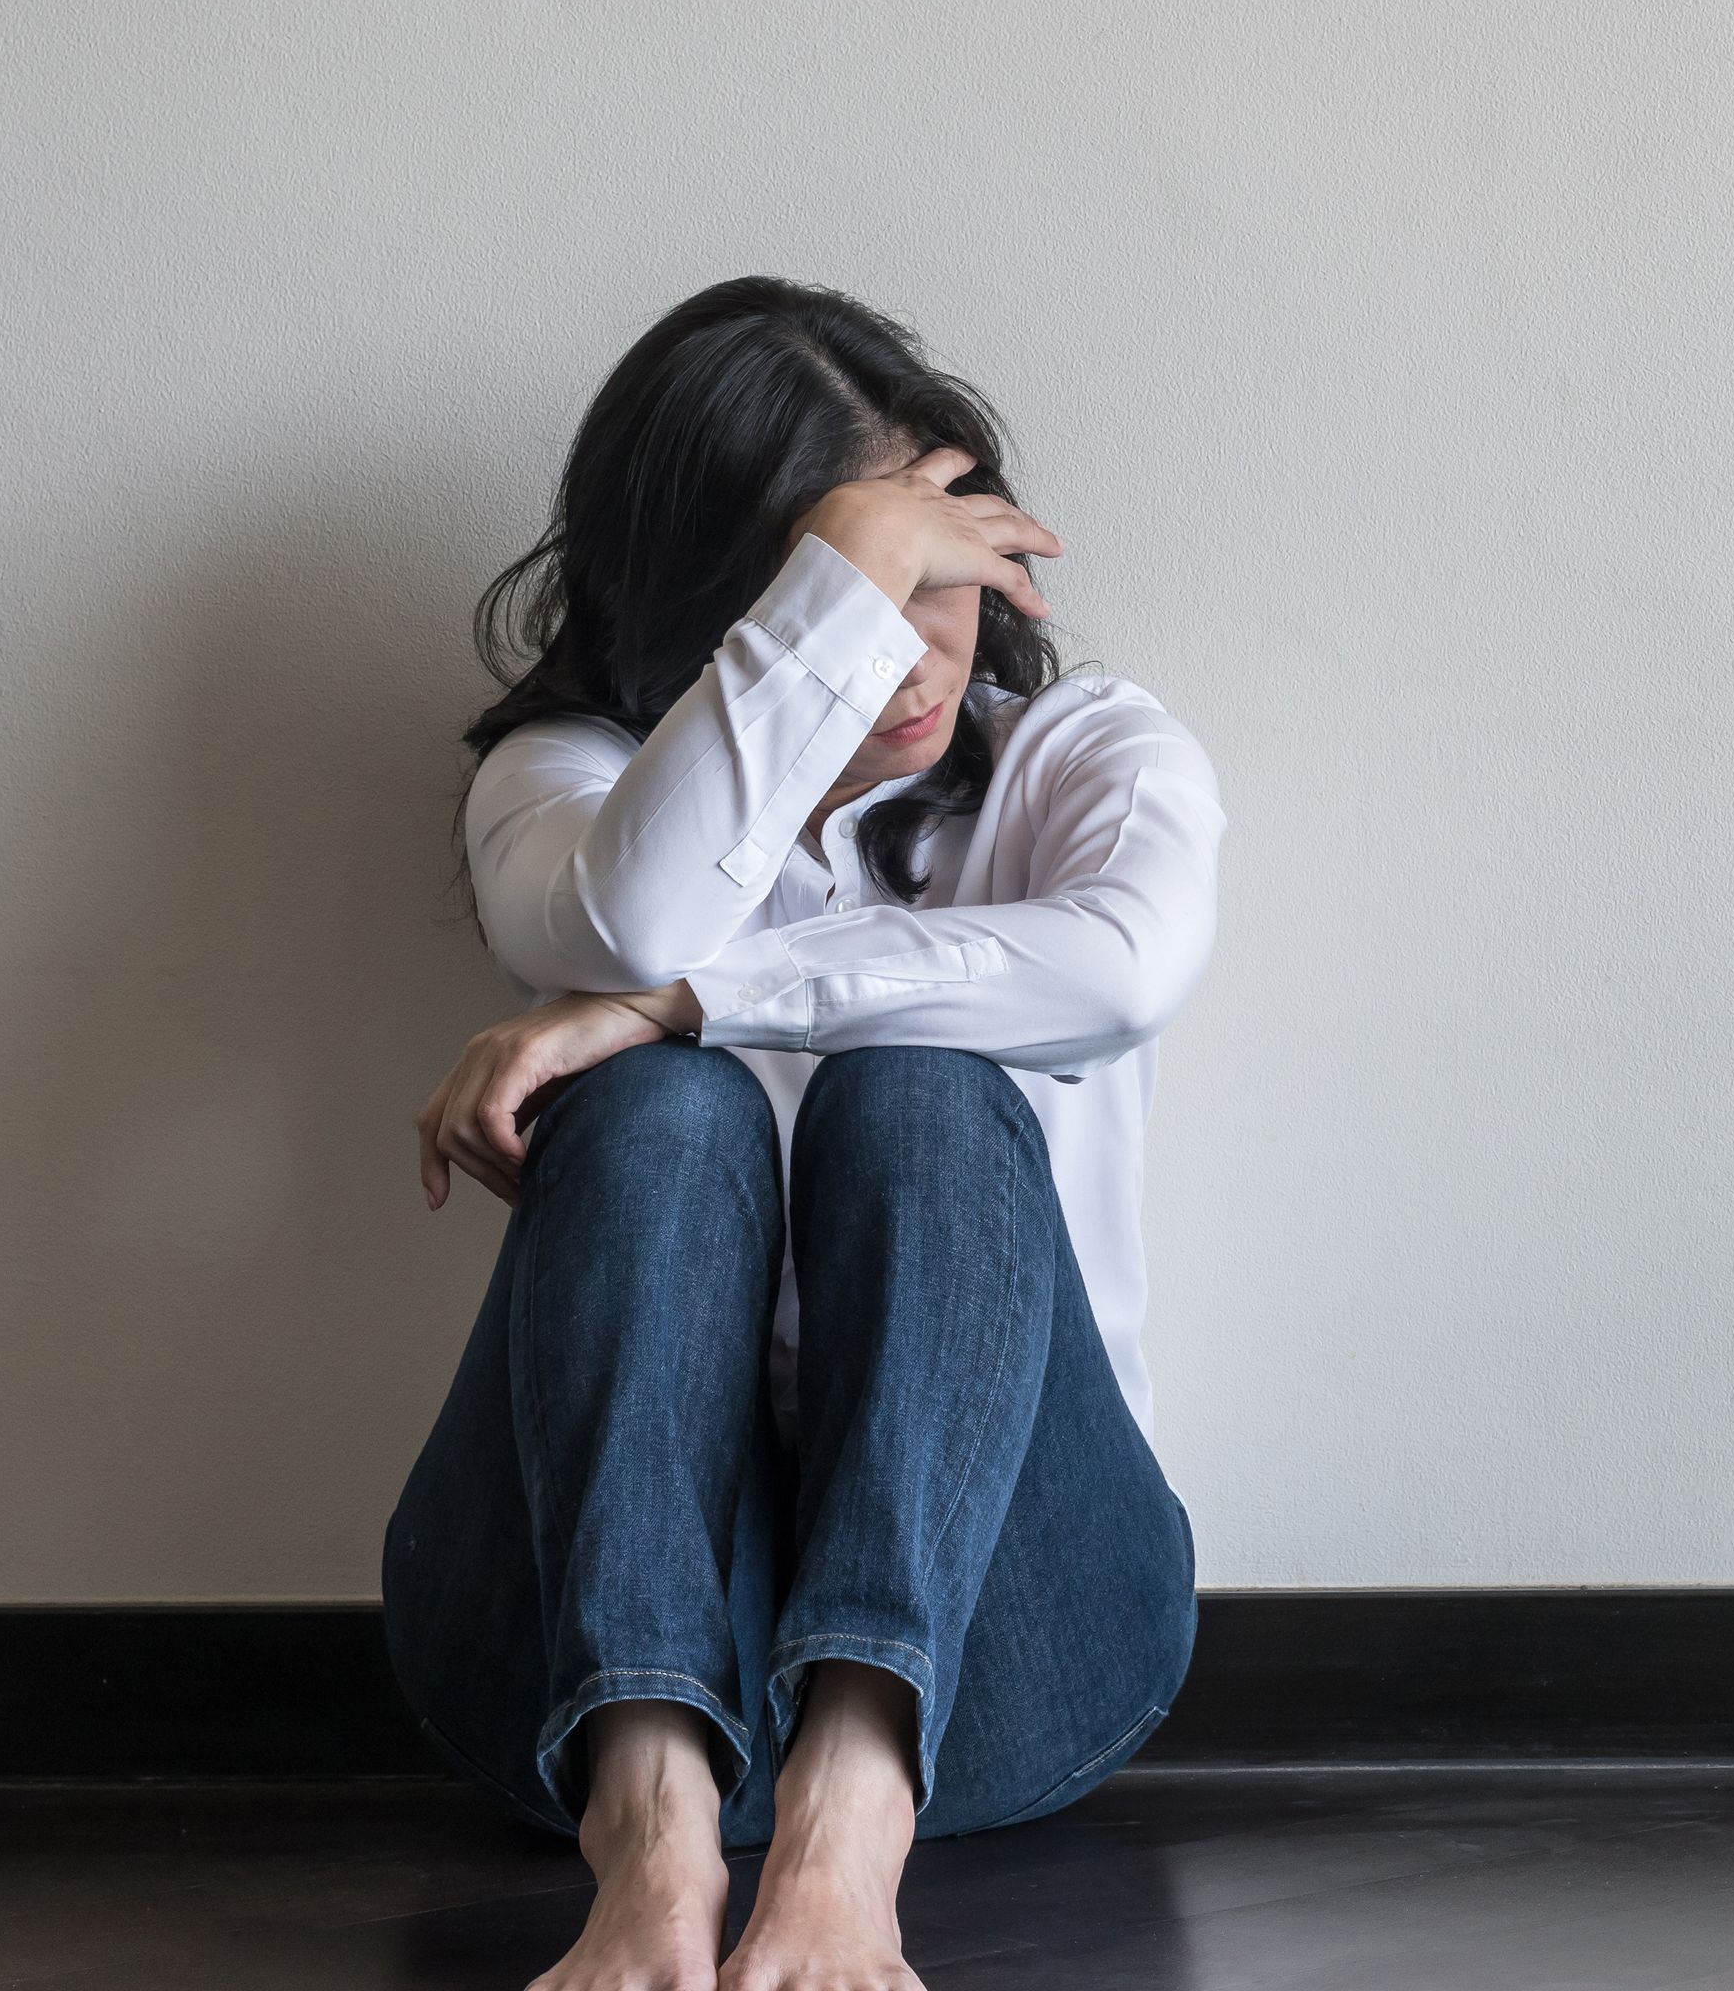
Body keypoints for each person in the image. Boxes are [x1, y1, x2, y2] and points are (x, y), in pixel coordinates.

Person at [384, 275, 1227, 1991]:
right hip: (553, 1658)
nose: (918, 648)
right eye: (853, 590)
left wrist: (692, 1001)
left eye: (941, 572)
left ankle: (853, 1824)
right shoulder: (556, 786)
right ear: (728, 608)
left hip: (1015, 1646)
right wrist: (835, 577)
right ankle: (653, 1836)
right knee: (660, 1115)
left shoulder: (1083, 760)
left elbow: (1126, 968)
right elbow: (625, 924)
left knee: (917, 1089)